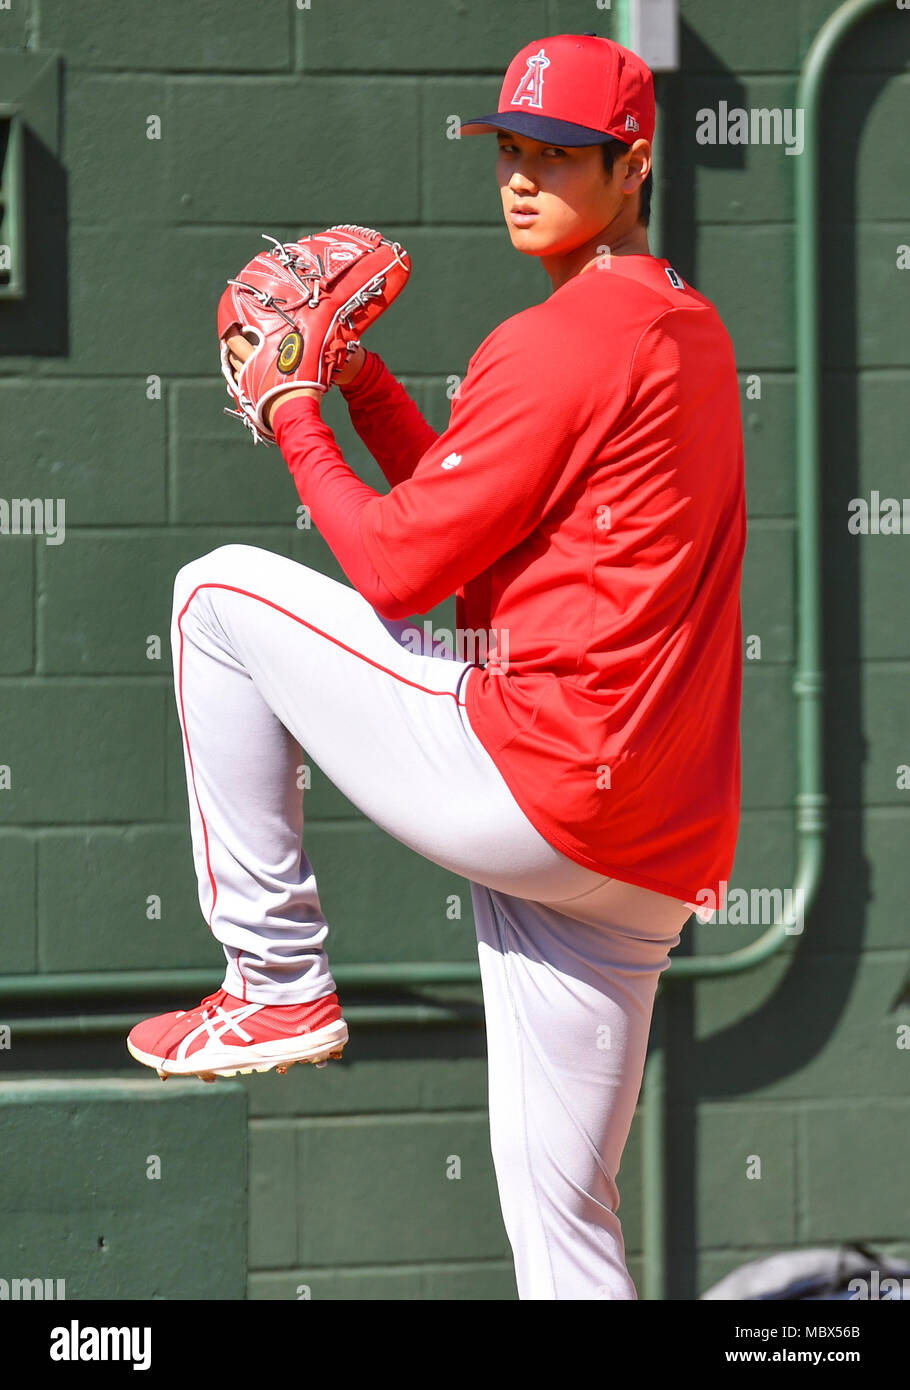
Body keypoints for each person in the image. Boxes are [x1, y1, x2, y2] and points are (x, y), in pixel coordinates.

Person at [127, 32, 746, 1300]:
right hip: (649, 856)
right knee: (562, 1227)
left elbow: (400, 572)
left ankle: (276, 981)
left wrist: (294, 407)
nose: (522, 178)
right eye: (510, 151)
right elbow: (470, 528)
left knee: (216, 600)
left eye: (560, 156)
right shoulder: (686, 327)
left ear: (633, 165)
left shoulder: (559, 335)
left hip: (544, 781)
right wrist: (354, 383)